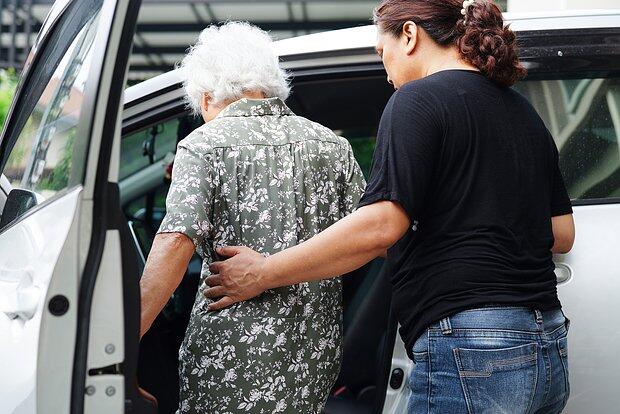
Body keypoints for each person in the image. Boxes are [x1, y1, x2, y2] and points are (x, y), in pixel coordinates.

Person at [204, 1, 576, 413]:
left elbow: (381, 225)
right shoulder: (523, 111)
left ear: (410, 35)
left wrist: (262, 273)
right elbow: (562, 233)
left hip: (474, 349)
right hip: (548, 344)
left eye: (382, 53)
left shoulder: (417, 99)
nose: (385, 72)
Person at [138, 22, 365, 413]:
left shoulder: (203, 146)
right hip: (314, 356)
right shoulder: (333, 145)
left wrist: (119, 347)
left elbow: (175, 242)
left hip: (230, 361)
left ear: (206, 97)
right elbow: (368, 237)